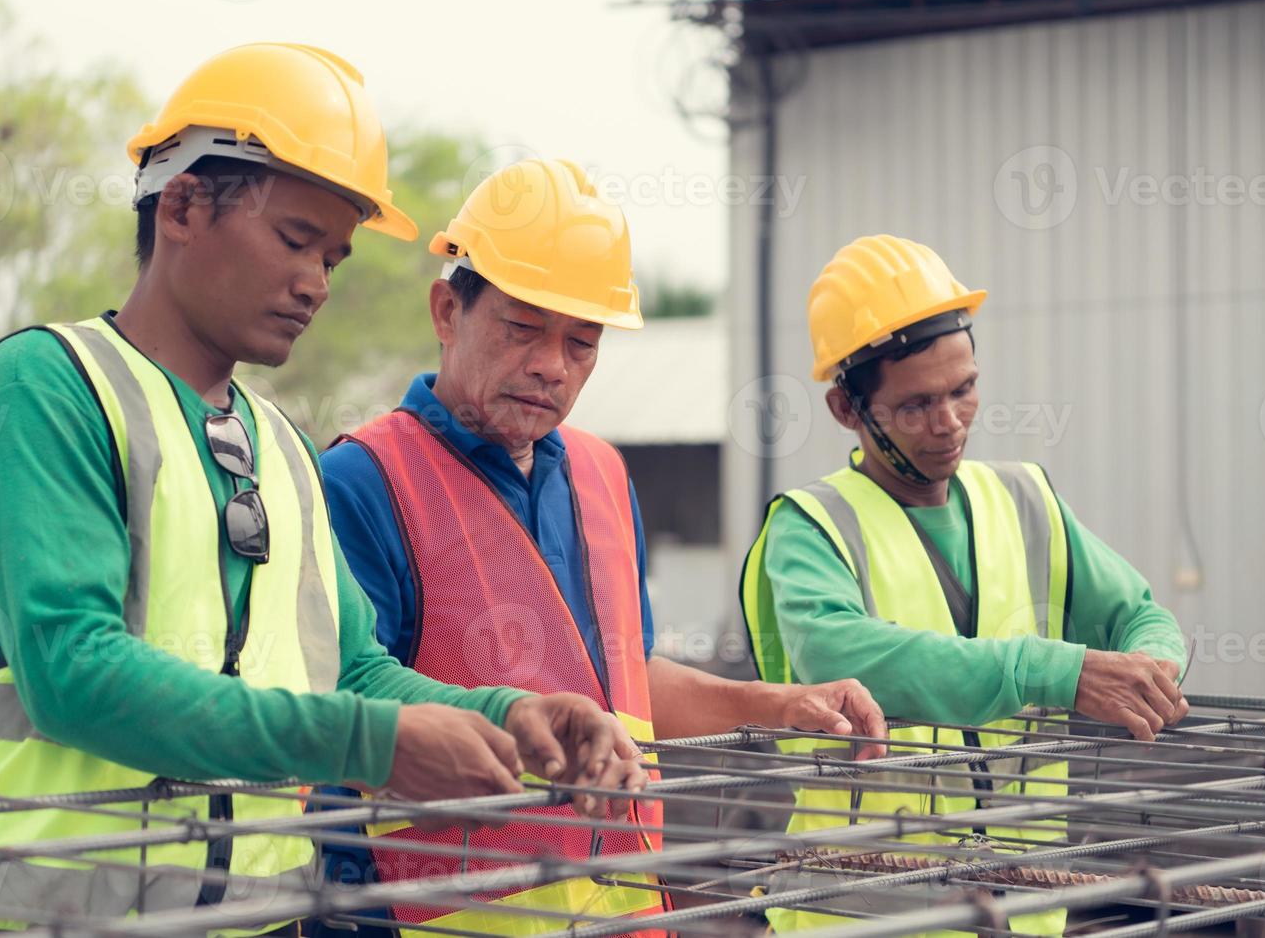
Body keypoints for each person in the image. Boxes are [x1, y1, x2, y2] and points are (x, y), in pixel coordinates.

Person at [0, 46, 639, 938]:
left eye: (335, 257)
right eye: (294, 240)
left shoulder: (279, 446)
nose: (317, 282)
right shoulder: (46, 391)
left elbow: (351, 670)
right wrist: (372, 744)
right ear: (184, 205)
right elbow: (74, 673)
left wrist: (508, 714)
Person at [319, 159, 889, 937]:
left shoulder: (599, 474)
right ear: (447, 310)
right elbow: (340, 705)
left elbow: (625, 676)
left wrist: (776, 704)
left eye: (582, 343)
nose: (552, 365)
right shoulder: (362, 480)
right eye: (523, 328)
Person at [740, 233, 1189, 934]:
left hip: (1023, 909)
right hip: (862, 917)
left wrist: (1152, 666)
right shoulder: (812, 528)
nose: (949, 424)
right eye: (915, 405)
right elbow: (843, 658)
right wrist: (1056, 670)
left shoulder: (1026, 499)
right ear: (847, 411)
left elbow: (1136, 613)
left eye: (965, 389)